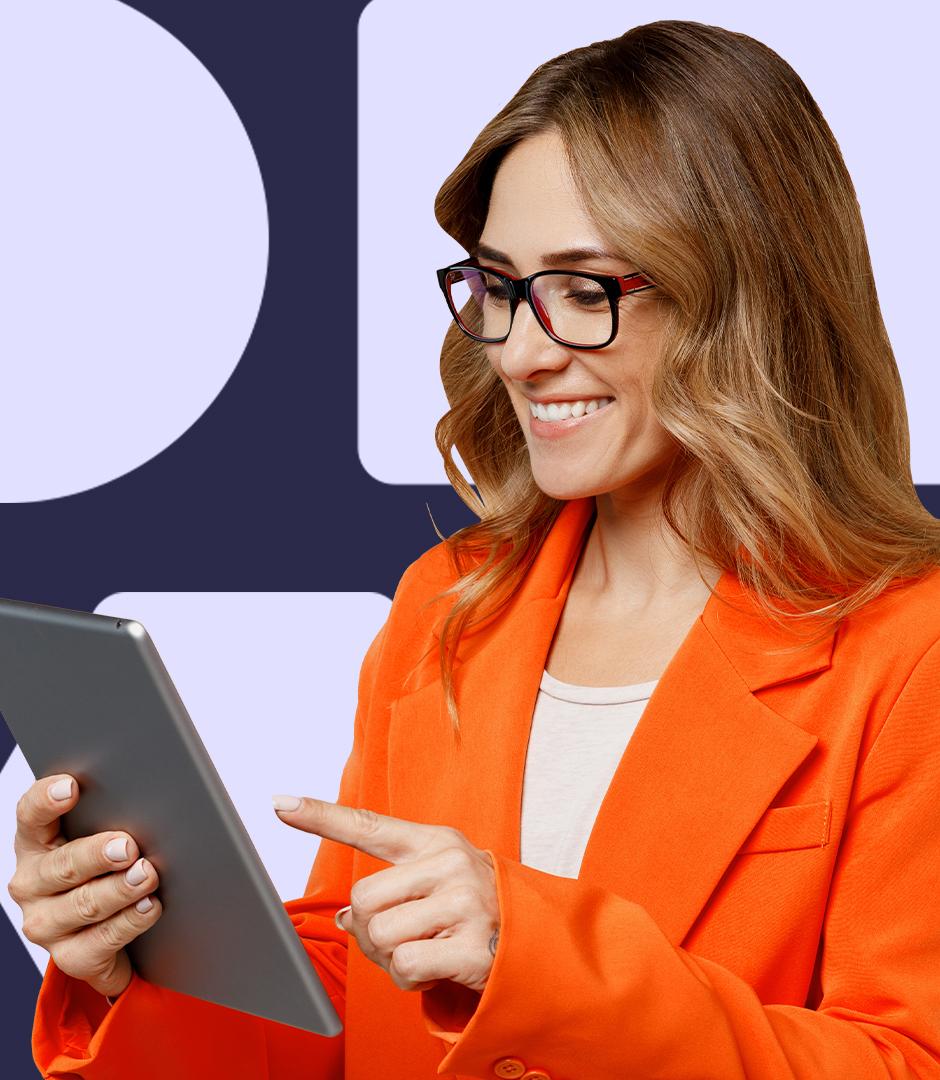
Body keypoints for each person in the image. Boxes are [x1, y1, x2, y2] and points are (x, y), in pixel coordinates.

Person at [10, 18, 940, 1078]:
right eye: (499, 285)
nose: (523, 351)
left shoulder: (908, 647)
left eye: (587, 291)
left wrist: (533, 958)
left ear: (747, 299)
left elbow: (905, 1059)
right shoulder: (451, 604)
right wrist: (140, 962)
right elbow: (352, 1014)